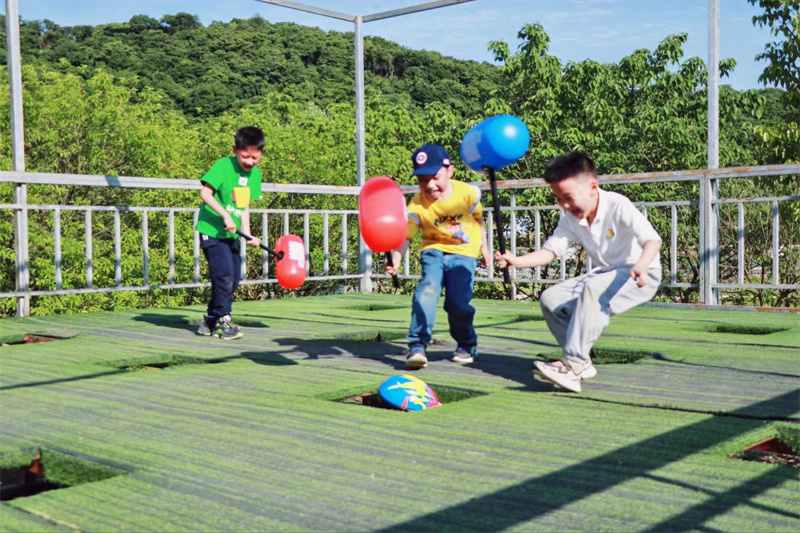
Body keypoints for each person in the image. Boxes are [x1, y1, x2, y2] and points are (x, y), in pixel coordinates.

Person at [495, 151, 662, 392]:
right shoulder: (570, 217)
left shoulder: (618, 205)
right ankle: (582, 362)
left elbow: (652, 240)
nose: (564, 204)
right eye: (557, 198)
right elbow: (551, 251)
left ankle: (572, 365)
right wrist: (516, 261)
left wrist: (642, 264)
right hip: (605, 273)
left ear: (593, 187)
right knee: (551, 299)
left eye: (568, 197)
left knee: (593, 289)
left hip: (641, 274)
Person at [388, 143, 491, 370]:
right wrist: (396, 260)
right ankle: (417, 345)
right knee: (427, 290)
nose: (429, 184)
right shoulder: (416, 203)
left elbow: (478, 222)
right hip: (433, 250)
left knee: (458, 304)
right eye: (422, 179)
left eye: (435, 177)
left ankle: (466, 342)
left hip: (464, 254)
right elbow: (406, 237)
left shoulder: (468, 194)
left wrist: (485, 249)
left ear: (450, 171)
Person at [194, 126, 265, 340]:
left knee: (233, 280)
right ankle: (224, 323)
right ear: (235, 150)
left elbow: (243, 206)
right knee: (223, 276)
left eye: (254, 157)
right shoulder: (223, 166)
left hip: (232, 235)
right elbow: (205, 194)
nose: (250, 162)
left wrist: (249, 233)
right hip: (212, 231)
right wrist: (224, 215)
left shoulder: (255, 175)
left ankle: (209, 320)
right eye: (245, 156)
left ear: (261, 154)